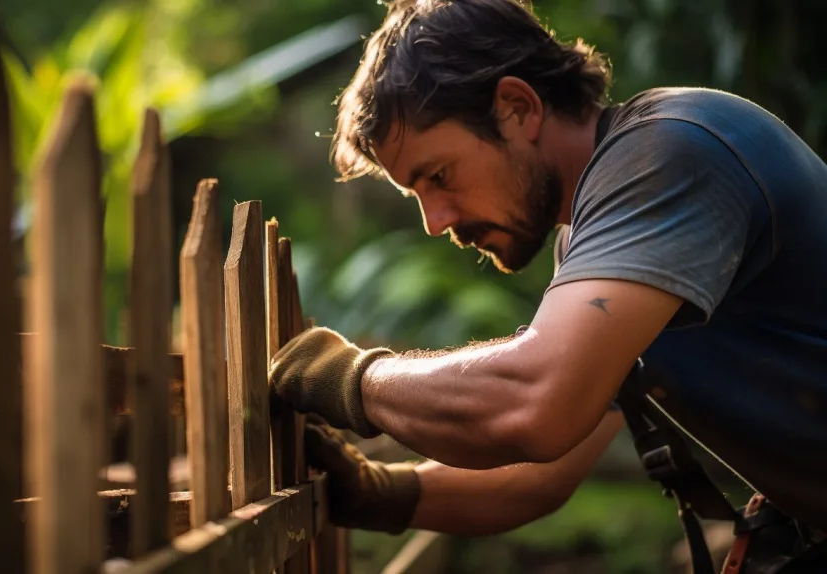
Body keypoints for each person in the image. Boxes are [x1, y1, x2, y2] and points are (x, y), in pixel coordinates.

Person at [267, 0, 827, 571]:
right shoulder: (599, 234)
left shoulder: (670, 154)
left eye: (438, 176)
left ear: (517, 107)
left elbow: (537, 402)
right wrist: (376, 492)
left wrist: (348, 378)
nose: (435, 222)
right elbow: (536, 478)